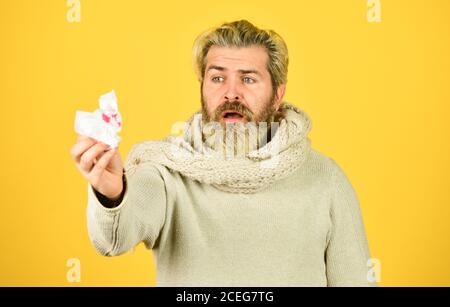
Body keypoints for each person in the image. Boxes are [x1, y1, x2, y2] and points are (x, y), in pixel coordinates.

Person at [70, 19, 375, 286]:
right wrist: (112, 196)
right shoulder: (167, 170)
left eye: (248, 78)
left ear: (278, 93)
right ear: (202, 86)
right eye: (217, 78)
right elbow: (113, 239)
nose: (231, 92)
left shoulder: (325, 178)